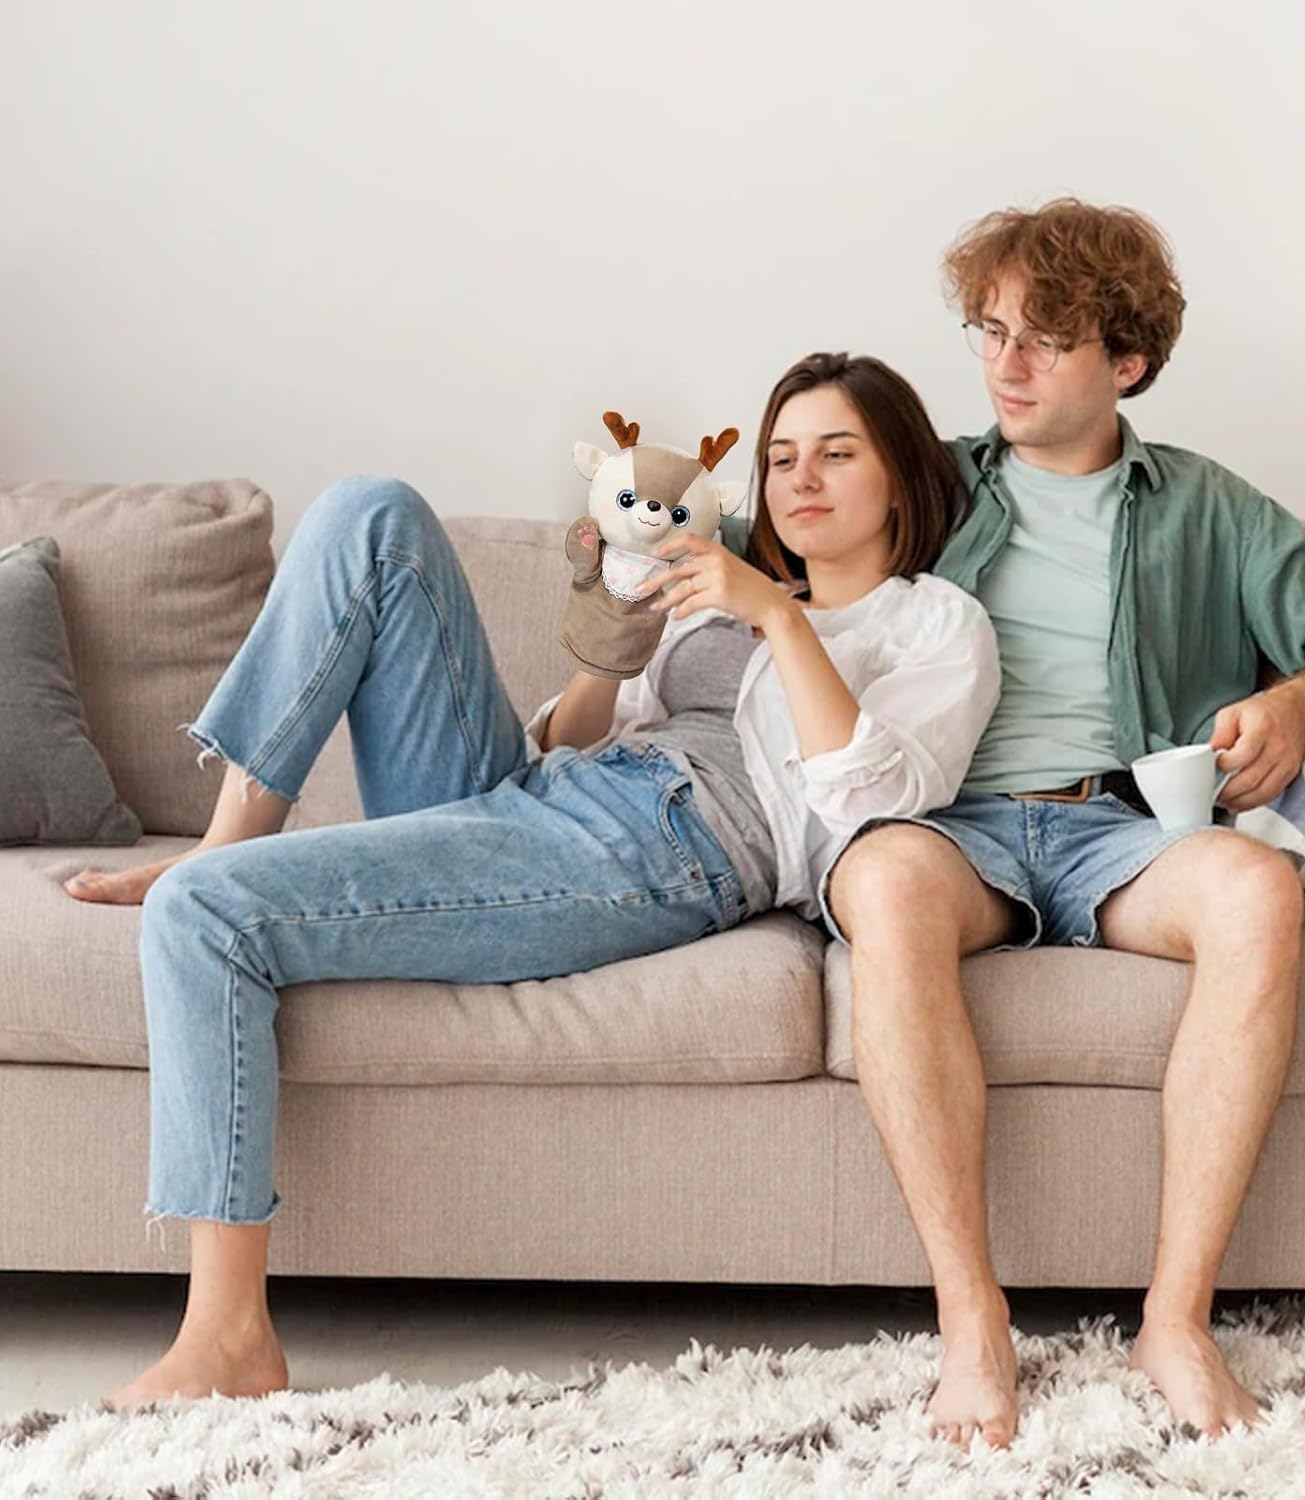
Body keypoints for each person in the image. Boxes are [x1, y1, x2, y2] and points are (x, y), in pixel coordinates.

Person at [65, 351, 1001, 1411]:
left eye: (837, 454)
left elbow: (872, 800)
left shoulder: (933, 623)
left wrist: (782, 619)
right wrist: (608, 644)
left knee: (203, 917)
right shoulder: (708, 604)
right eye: (782, 458)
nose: (802, 479)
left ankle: (229, 1336)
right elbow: (574, 738)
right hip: (547, 789)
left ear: (901, 479)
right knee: (371, 513)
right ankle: (226, 837)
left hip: (665, 843)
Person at [792, 201, 1305, 1449]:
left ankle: (1176, 1322)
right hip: (951, 821)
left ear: (1126, 361)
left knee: (1255, 890)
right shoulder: (927, 480)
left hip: (1123, 828)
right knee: (883, 887)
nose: (1006, 365)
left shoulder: (1211, 508)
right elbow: (770, 527)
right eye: (990, 332)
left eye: (1044, 340)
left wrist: (1296, 702)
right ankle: (973, 1323)